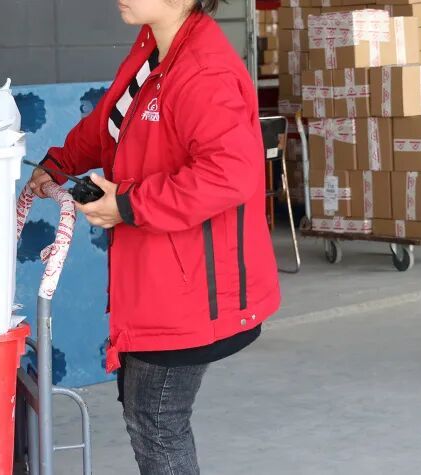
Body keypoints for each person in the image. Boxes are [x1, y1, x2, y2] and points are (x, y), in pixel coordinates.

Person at [27, 0, 281, 473]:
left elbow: (229, 175)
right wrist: (60, 163)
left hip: (190, 287)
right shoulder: (154, 47)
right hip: (156, 276)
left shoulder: (204, 71)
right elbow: (109, 124)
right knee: (147, 411)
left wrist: (128, 204)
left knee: (157, 420)